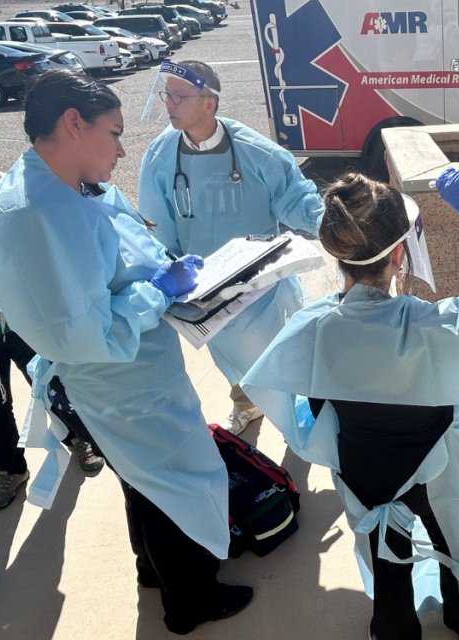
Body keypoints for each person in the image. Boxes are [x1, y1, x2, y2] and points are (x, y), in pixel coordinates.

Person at [0, 70, 250, 635]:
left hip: (134, 379)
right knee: (173, 482)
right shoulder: (42, 219)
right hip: (123, 383)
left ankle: (155, 571)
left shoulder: (72, 189)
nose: (123, 150)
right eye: (115, 133)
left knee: (144, 481)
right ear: (74, 123)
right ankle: (191, 602)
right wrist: (159, 290)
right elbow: (88, 335)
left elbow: (117, 255)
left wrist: (160, 267)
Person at [240, 169, 459, 640]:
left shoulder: (312, 328)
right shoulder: (432, 328)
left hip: (364, 473)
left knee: (387, 560)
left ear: (339, 253)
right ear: (399, 254)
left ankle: (393, 629)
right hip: (438, 468)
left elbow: (297, 403)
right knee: (455, 542)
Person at [138, 60, 324, 435]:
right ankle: (245, 405)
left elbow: (296, 200)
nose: (169, 104)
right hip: (206, 289)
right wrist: (170, 276)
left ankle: (304, 420)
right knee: (229, 357)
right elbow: (156, 226)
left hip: (262, 286)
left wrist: (330, 222)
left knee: (283, 356)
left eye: (179, 96)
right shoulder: (161, 155)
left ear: (209, 103)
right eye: (167, 95)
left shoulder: (257, 151)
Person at [0, 106, 103, 512]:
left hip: (21, 318)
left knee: (56, 387)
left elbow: (34, 245)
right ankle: (9, 470)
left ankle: (78, 439)